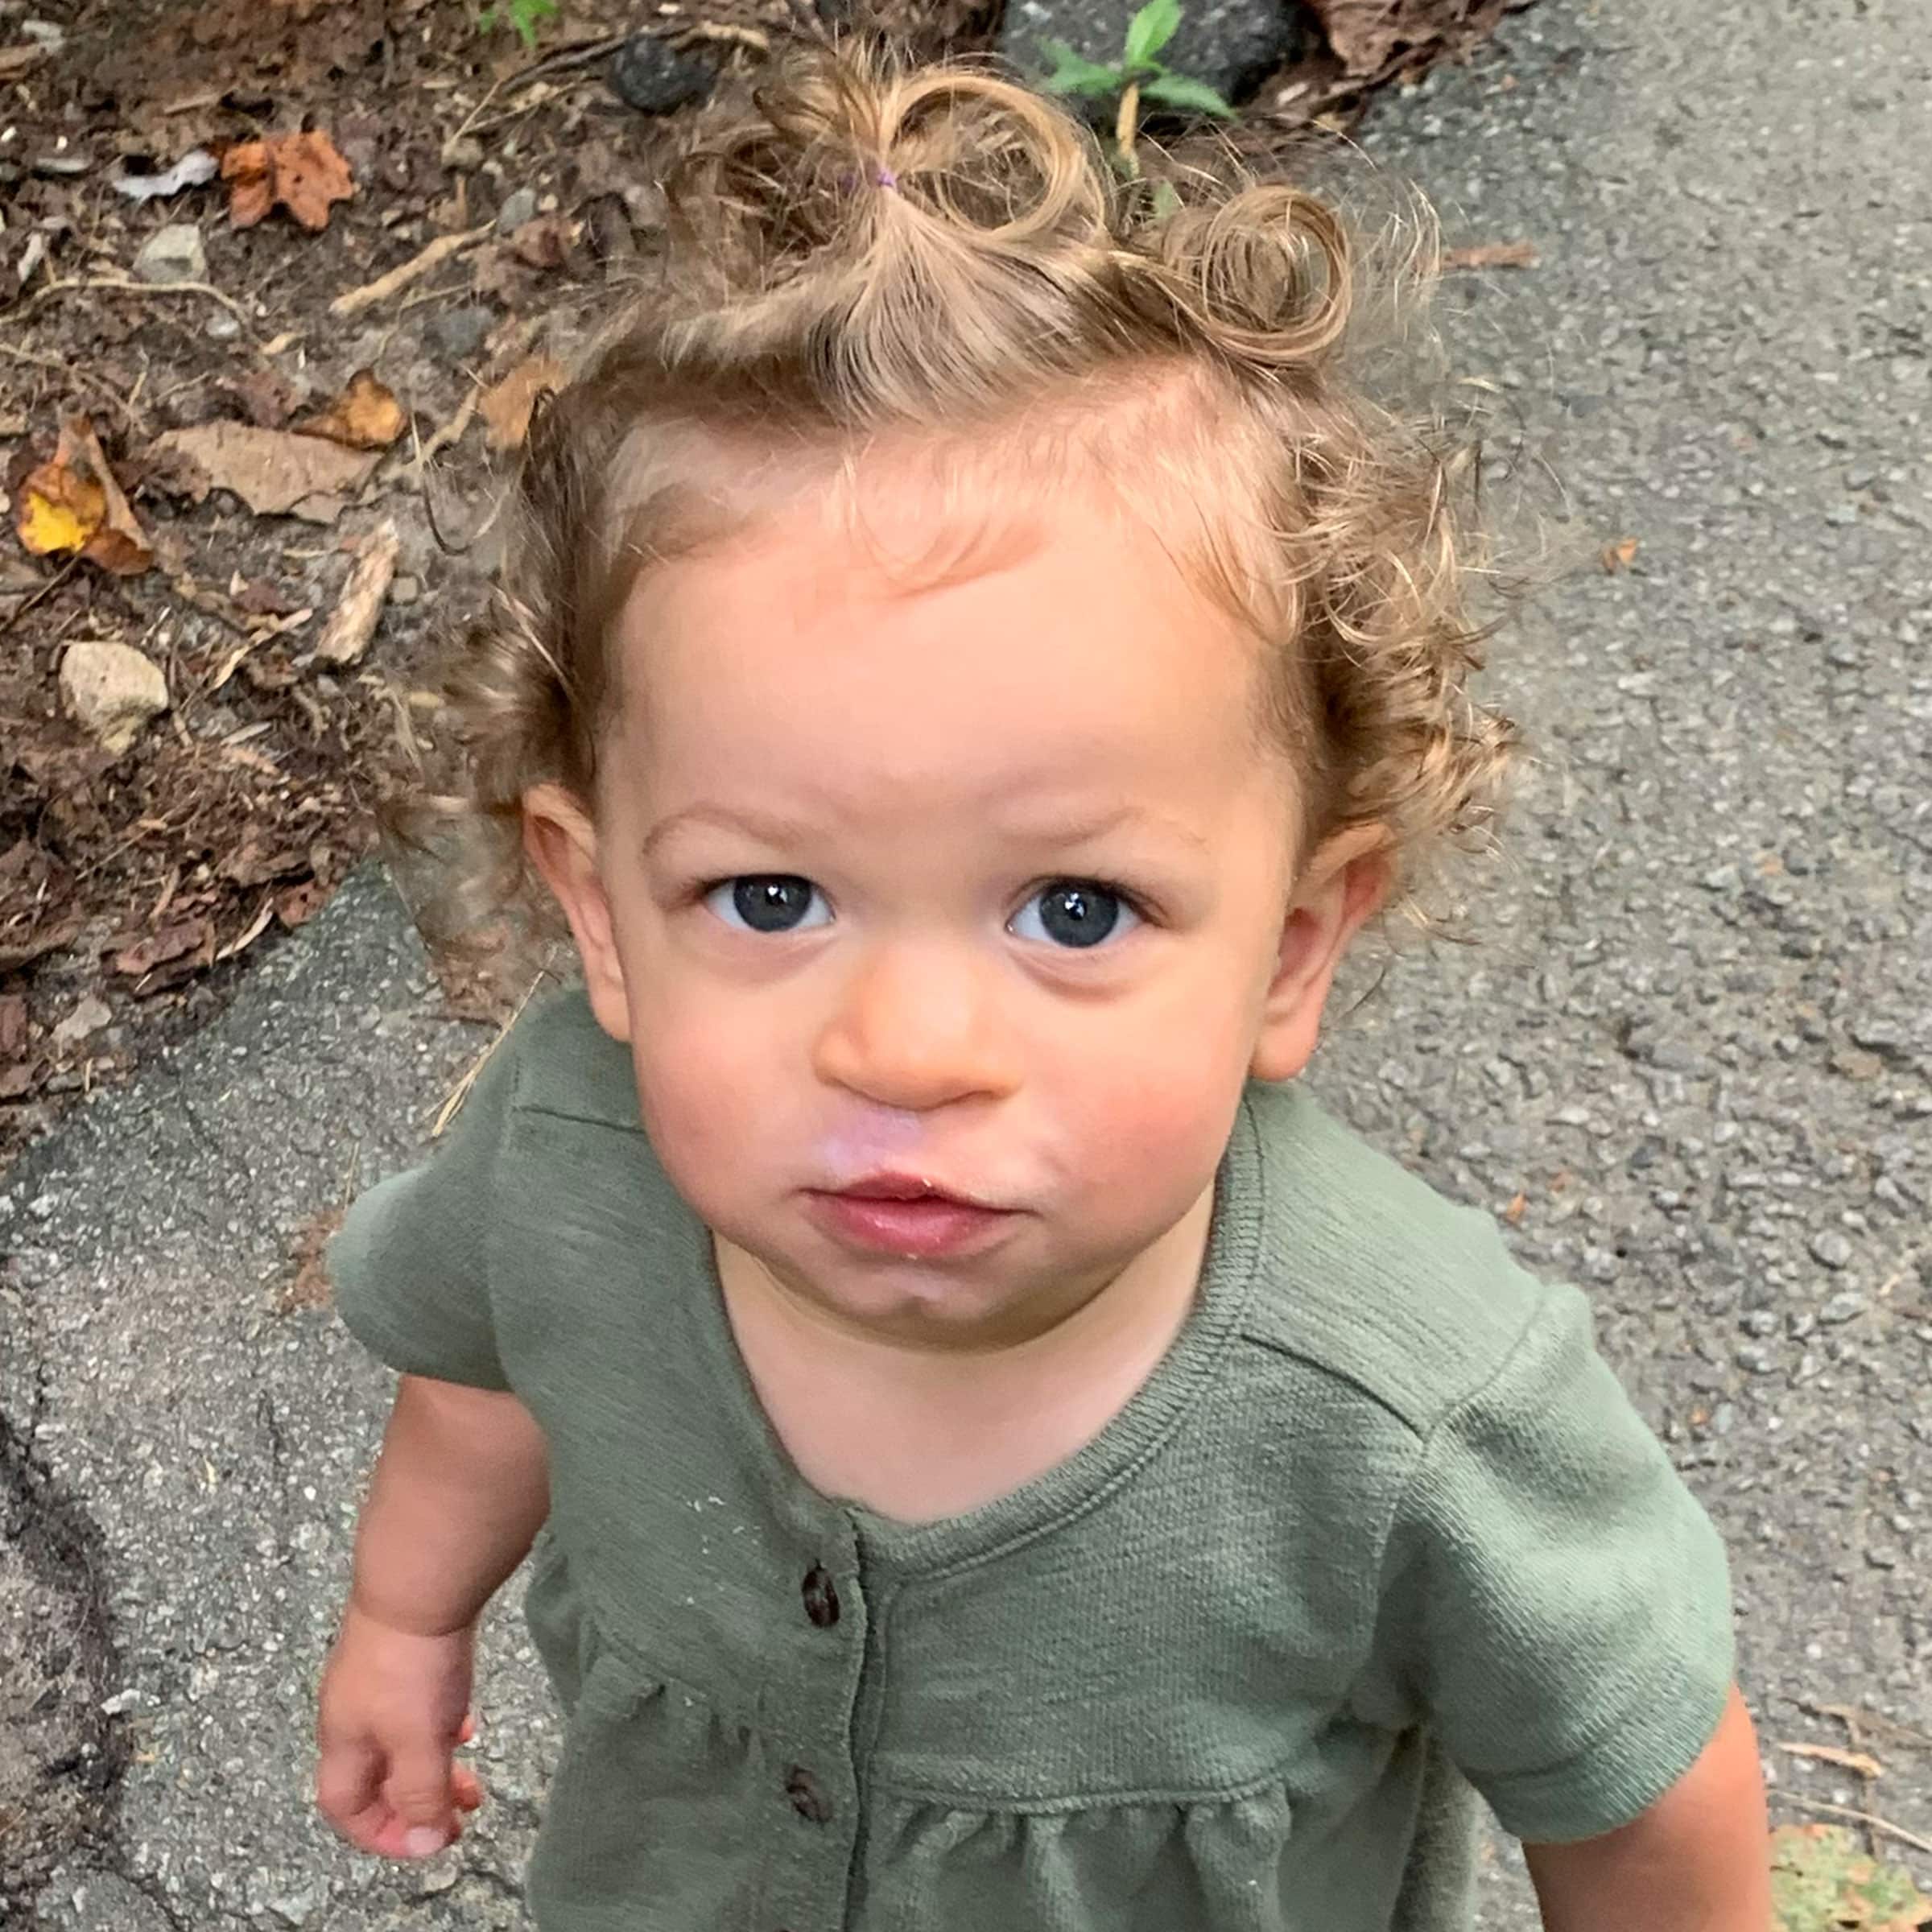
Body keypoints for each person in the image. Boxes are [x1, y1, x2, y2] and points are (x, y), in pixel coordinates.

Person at [315, 41, 1771, 1932]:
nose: (908, 1050)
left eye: (1075, 912)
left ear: (1294, 944)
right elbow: (490, 1358)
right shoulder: (571, 1143)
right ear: (599, 912)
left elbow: (1646, 1793)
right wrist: (407, 1616)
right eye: (769, 895)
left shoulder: (1410, 1415)